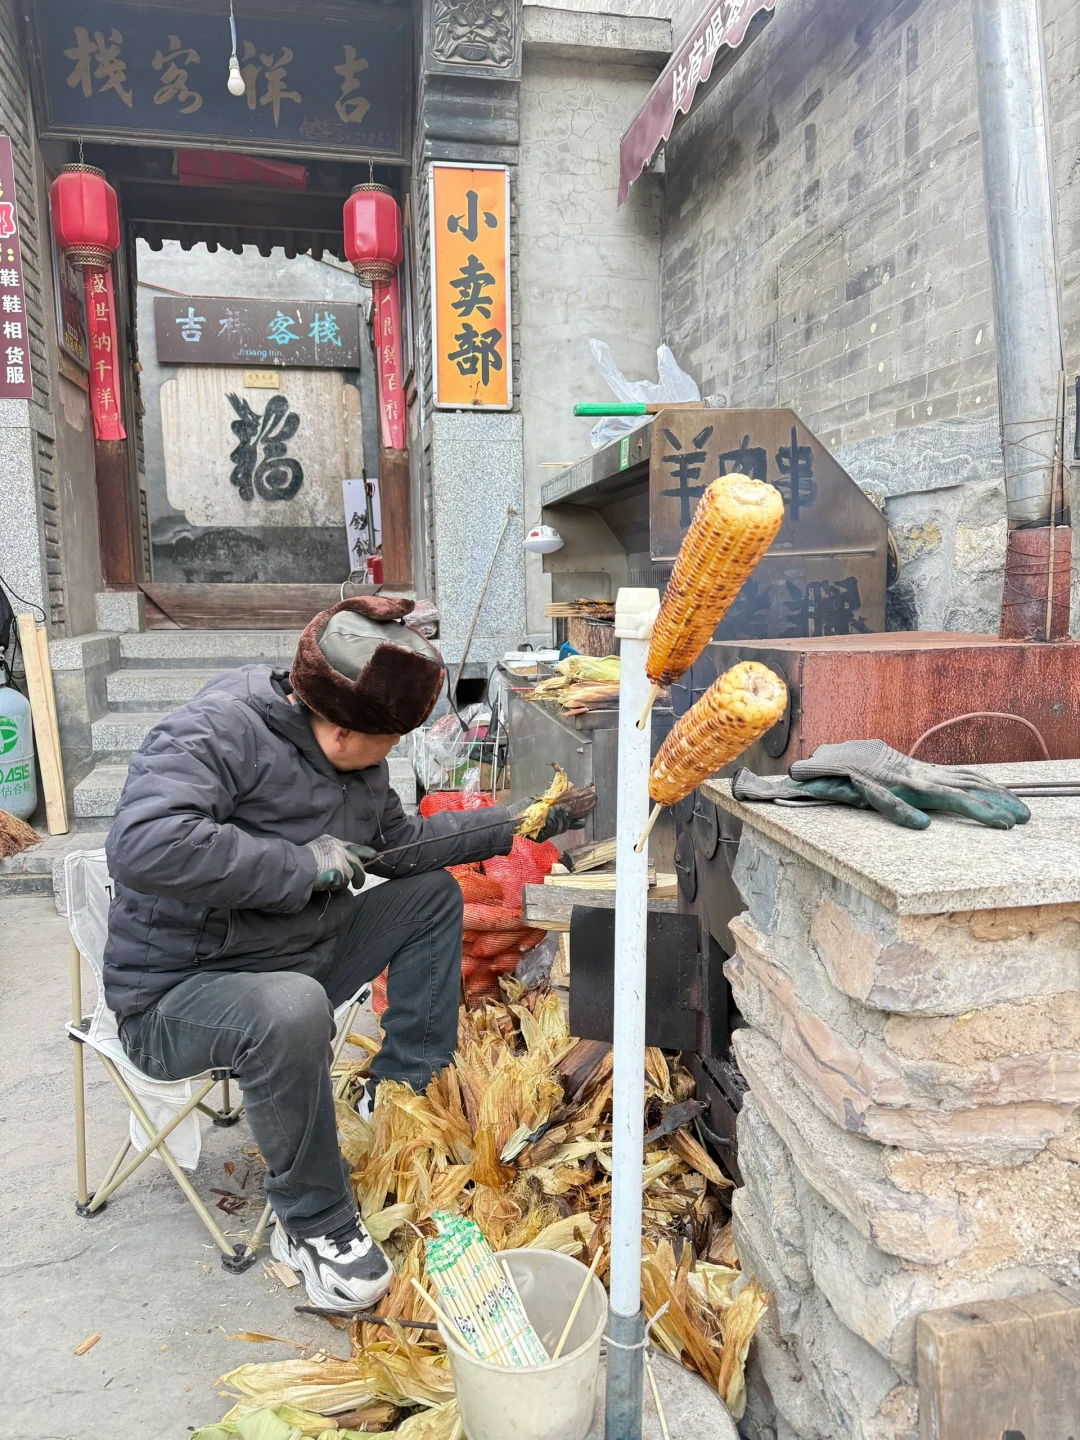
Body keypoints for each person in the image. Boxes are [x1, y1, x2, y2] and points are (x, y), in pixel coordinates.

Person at [103, 595, 594, 1309]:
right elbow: (145, 844)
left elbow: (396, 848)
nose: (391, 753)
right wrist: (299, 865)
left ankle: (398, 1085)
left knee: (428, 896)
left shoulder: (354, 760)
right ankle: (313, 1222)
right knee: (292, 1007)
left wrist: (516, 822)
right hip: (179, 993)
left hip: (289, 957)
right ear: (338, 730)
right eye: (388, 740)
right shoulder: (218, 730)